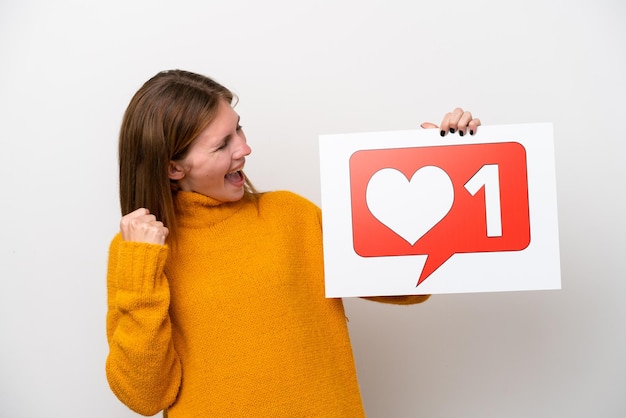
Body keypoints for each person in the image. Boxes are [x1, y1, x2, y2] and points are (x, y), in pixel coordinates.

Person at [105, 69, 481, 417]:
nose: (244, 149)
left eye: (239, 130)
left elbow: (409, 286)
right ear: (174, 167)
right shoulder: (139, 256)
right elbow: (145, 396)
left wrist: (446, 163)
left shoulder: (290, 216)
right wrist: (141, 266)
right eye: (222, 145)